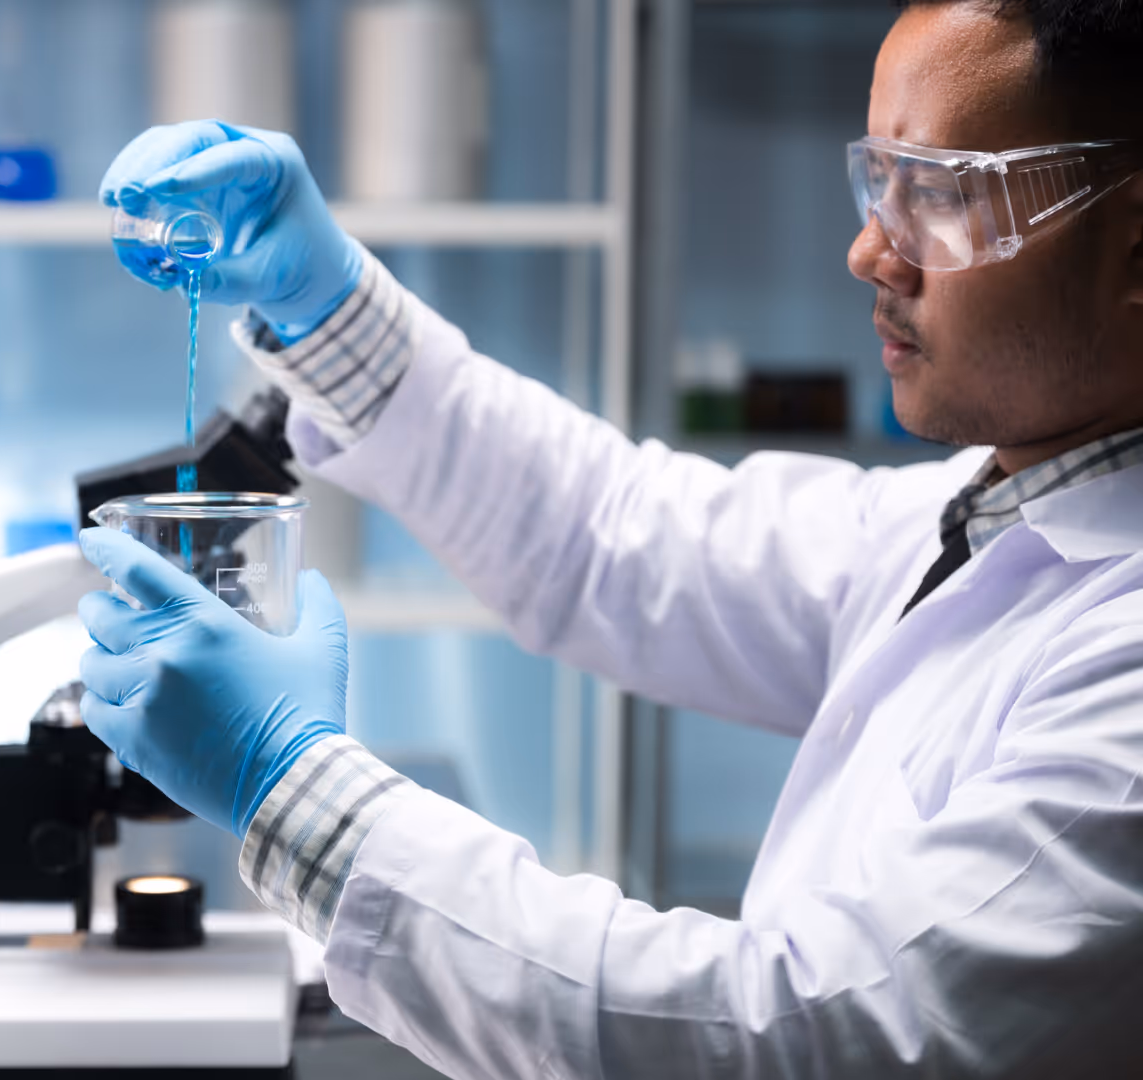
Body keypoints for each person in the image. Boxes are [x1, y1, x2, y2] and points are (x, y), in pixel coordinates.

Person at [78, 1, 1143, 1076]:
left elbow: (801, 1037)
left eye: (946, 193)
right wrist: (327, 303)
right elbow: (612, 535)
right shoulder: (977, 506)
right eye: (880, 180)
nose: (872, 250)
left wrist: (288, 786)